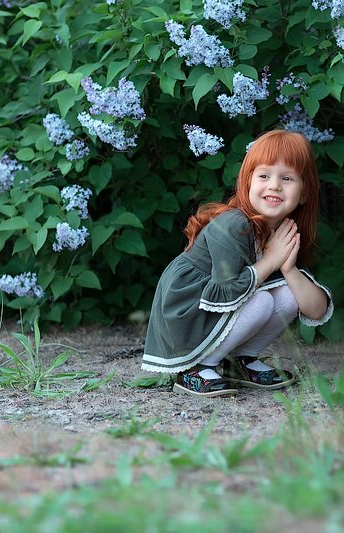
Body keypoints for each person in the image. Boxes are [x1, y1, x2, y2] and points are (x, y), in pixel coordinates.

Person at [141, 130, 333, 397]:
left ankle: (238, 362)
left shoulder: (281, 231)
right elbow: (227, 291)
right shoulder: (235, 224)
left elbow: (315, 310)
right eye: (264, 176)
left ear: (304, 193)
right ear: (247, 183)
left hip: (218, 304)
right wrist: (271, 260)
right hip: (186, 309)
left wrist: (287, 268)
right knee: (263, 301)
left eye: (287, 178)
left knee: (288, 293)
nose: (274, 185)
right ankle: (195, 369)